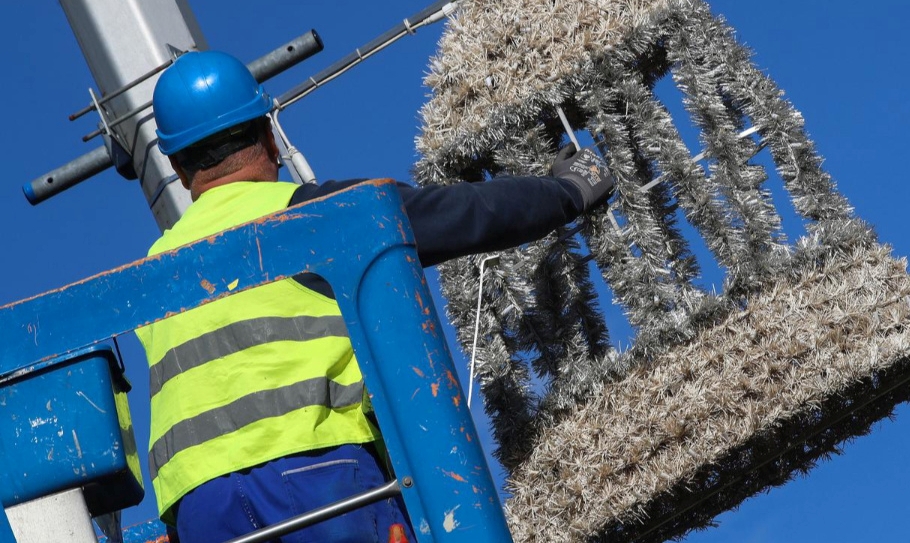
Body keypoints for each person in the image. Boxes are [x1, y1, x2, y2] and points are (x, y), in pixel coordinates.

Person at [136, 50, 614, 543]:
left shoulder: (152, 271)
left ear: (177, 167)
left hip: (200, 515)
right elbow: (460, 213)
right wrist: (568, 191)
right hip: (317, 476)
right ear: (269, 137)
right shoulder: (303, 214)